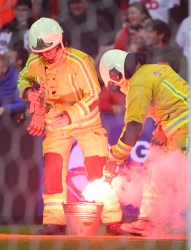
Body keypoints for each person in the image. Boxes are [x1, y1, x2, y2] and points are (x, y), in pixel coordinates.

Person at [98, 49, 191, 237]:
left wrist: (114, 159)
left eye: (114, 84)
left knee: (183, 177)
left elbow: (133, 127)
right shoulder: (154, 70)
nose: (117, 88)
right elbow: (173, 98)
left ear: (115, 74)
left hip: (189, 126)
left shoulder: (138, 84)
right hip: (188, 124)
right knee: (156, 170)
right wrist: (162, 129)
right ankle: (148, 221)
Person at [18, 17, 123, 235]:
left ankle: (113, 222)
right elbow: (23, 78)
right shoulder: (35, 61)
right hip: (55, 124)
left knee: (98, 169)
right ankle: (54, 223)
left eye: (50, 49)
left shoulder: (79, 61)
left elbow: (94, 95)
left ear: (61, 42)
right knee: (53, 171)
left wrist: (70, 115)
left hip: (86, 122)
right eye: (41, 52)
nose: (46, 55)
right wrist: (29, 92)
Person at [0, 53, 26, 119]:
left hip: (15, 116)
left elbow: (21, 103)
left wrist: (4, 108)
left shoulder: (16, 79)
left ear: (4, 68)